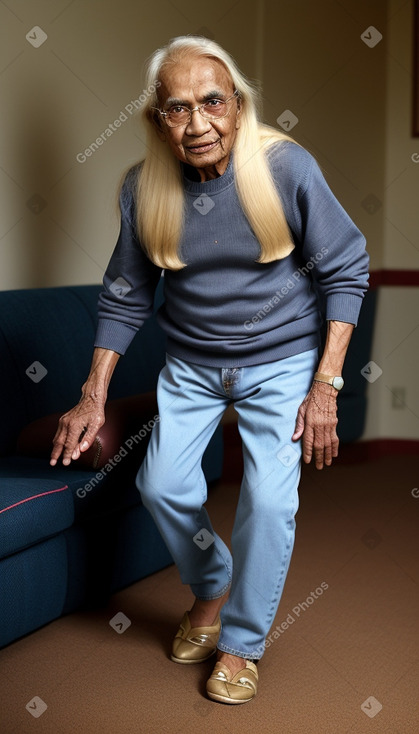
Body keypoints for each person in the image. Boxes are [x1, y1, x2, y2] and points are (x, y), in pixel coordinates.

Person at [50, 35, 369, 704]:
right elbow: (126, 293)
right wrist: (92, 393)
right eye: (177, 109)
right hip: (192, 366)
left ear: (237, 107)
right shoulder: (143, 189)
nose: (197, 124)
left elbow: (344, 269)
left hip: (282, 364)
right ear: (156, 121)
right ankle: (210, 584)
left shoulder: (285, 167)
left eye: (212, 103)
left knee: (271, 500)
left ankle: (240, 643)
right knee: (162, 487)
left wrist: (324, 385)